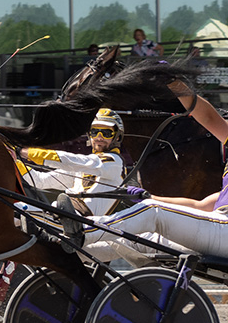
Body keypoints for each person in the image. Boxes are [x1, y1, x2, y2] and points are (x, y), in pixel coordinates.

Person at [76, 82, 228, 260]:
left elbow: (209, 117)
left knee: (152, 212)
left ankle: (83, 230)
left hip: (222, 232)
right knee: (140, 239)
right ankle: (68, 252)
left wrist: (175, 83)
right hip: (217, 229)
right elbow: (200, 206)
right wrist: (148, 196)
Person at [17, 108, 128, 217]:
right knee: (12, 208)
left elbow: (72, 161)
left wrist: (30, 153)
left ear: (117, 137)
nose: (99, 137)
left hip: (84, 222)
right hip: (60, 214)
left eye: (106, 133)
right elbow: (40, 181)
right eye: (94, 132)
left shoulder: (115, 162)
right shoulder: (83, 168)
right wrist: (14, 161)